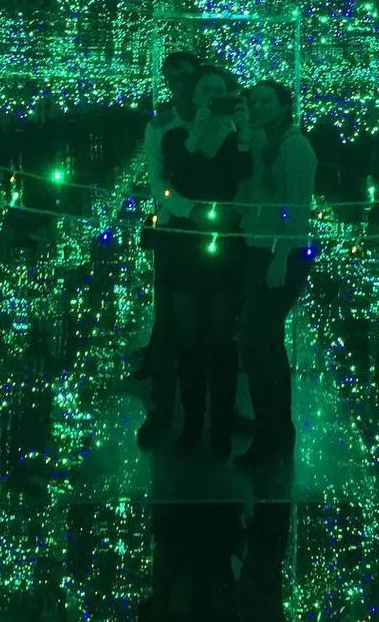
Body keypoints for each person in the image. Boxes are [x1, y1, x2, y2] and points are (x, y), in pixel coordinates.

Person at [140, 65, 251, 460]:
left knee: (222, 335)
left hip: (225, 243)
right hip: (183, 242)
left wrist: (241, 132)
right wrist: (193, 211)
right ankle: (186, 421)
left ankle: (220, 426)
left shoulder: (238, 134)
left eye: (220, 91)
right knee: (184, 336)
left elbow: (246, 178)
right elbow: (171, 180)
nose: (211, 97)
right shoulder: (170, 132)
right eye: (206, 90)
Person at [234, 80, 316, 468]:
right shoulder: (259, 143)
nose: (258, 106)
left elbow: (297, 208)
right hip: (256, 248)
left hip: (281, 254)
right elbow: (256, 194)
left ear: (284, 106)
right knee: (266, 343)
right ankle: (278, 429)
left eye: (267, 100)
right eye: (254, 101)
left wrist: (281, 256)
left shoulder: (295, 147)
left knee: (255, 341)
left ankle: (269, 435)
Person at [134, 52, 201, 386]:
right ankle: (163, 386)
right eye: (171, 78)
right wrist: (190, 210)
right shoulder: (160, 126)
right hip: (175, 227)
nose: (178, 85)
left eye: (184, 76)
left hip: (211, 227)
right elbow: (158, 183)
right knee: (168, 306)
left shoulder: (217, 120)